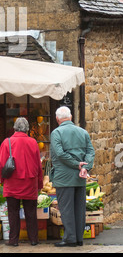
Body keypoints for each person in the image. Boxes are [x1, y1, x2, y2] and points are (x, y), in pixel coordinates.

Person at [50, 106, 95, 247]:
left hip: (64, 178)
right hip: (80, 177)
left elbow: (60, 154)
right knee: (79, 209)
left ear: (58, 119)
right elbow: (91, 151)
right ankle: (78, 238)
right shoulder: (83, 132)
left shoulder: (56, 133)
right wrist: (85, 167)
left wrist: (77, 165)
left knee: (67, 209)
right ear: (70, 117)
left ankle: (70, 238)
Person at [0, 117, 43, 246]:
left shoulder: (7, 142)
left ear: (15, 128)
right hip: (30, 183)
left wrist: (2, 180)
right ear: (27, 129)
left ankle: (13, 240)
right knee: (31, 213)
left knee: (12, 212)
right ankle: (33, 239)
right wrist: (39, 184)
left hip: (12, 183)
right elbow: (39, 167)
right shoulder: (33, 142)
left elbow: (0, 165)